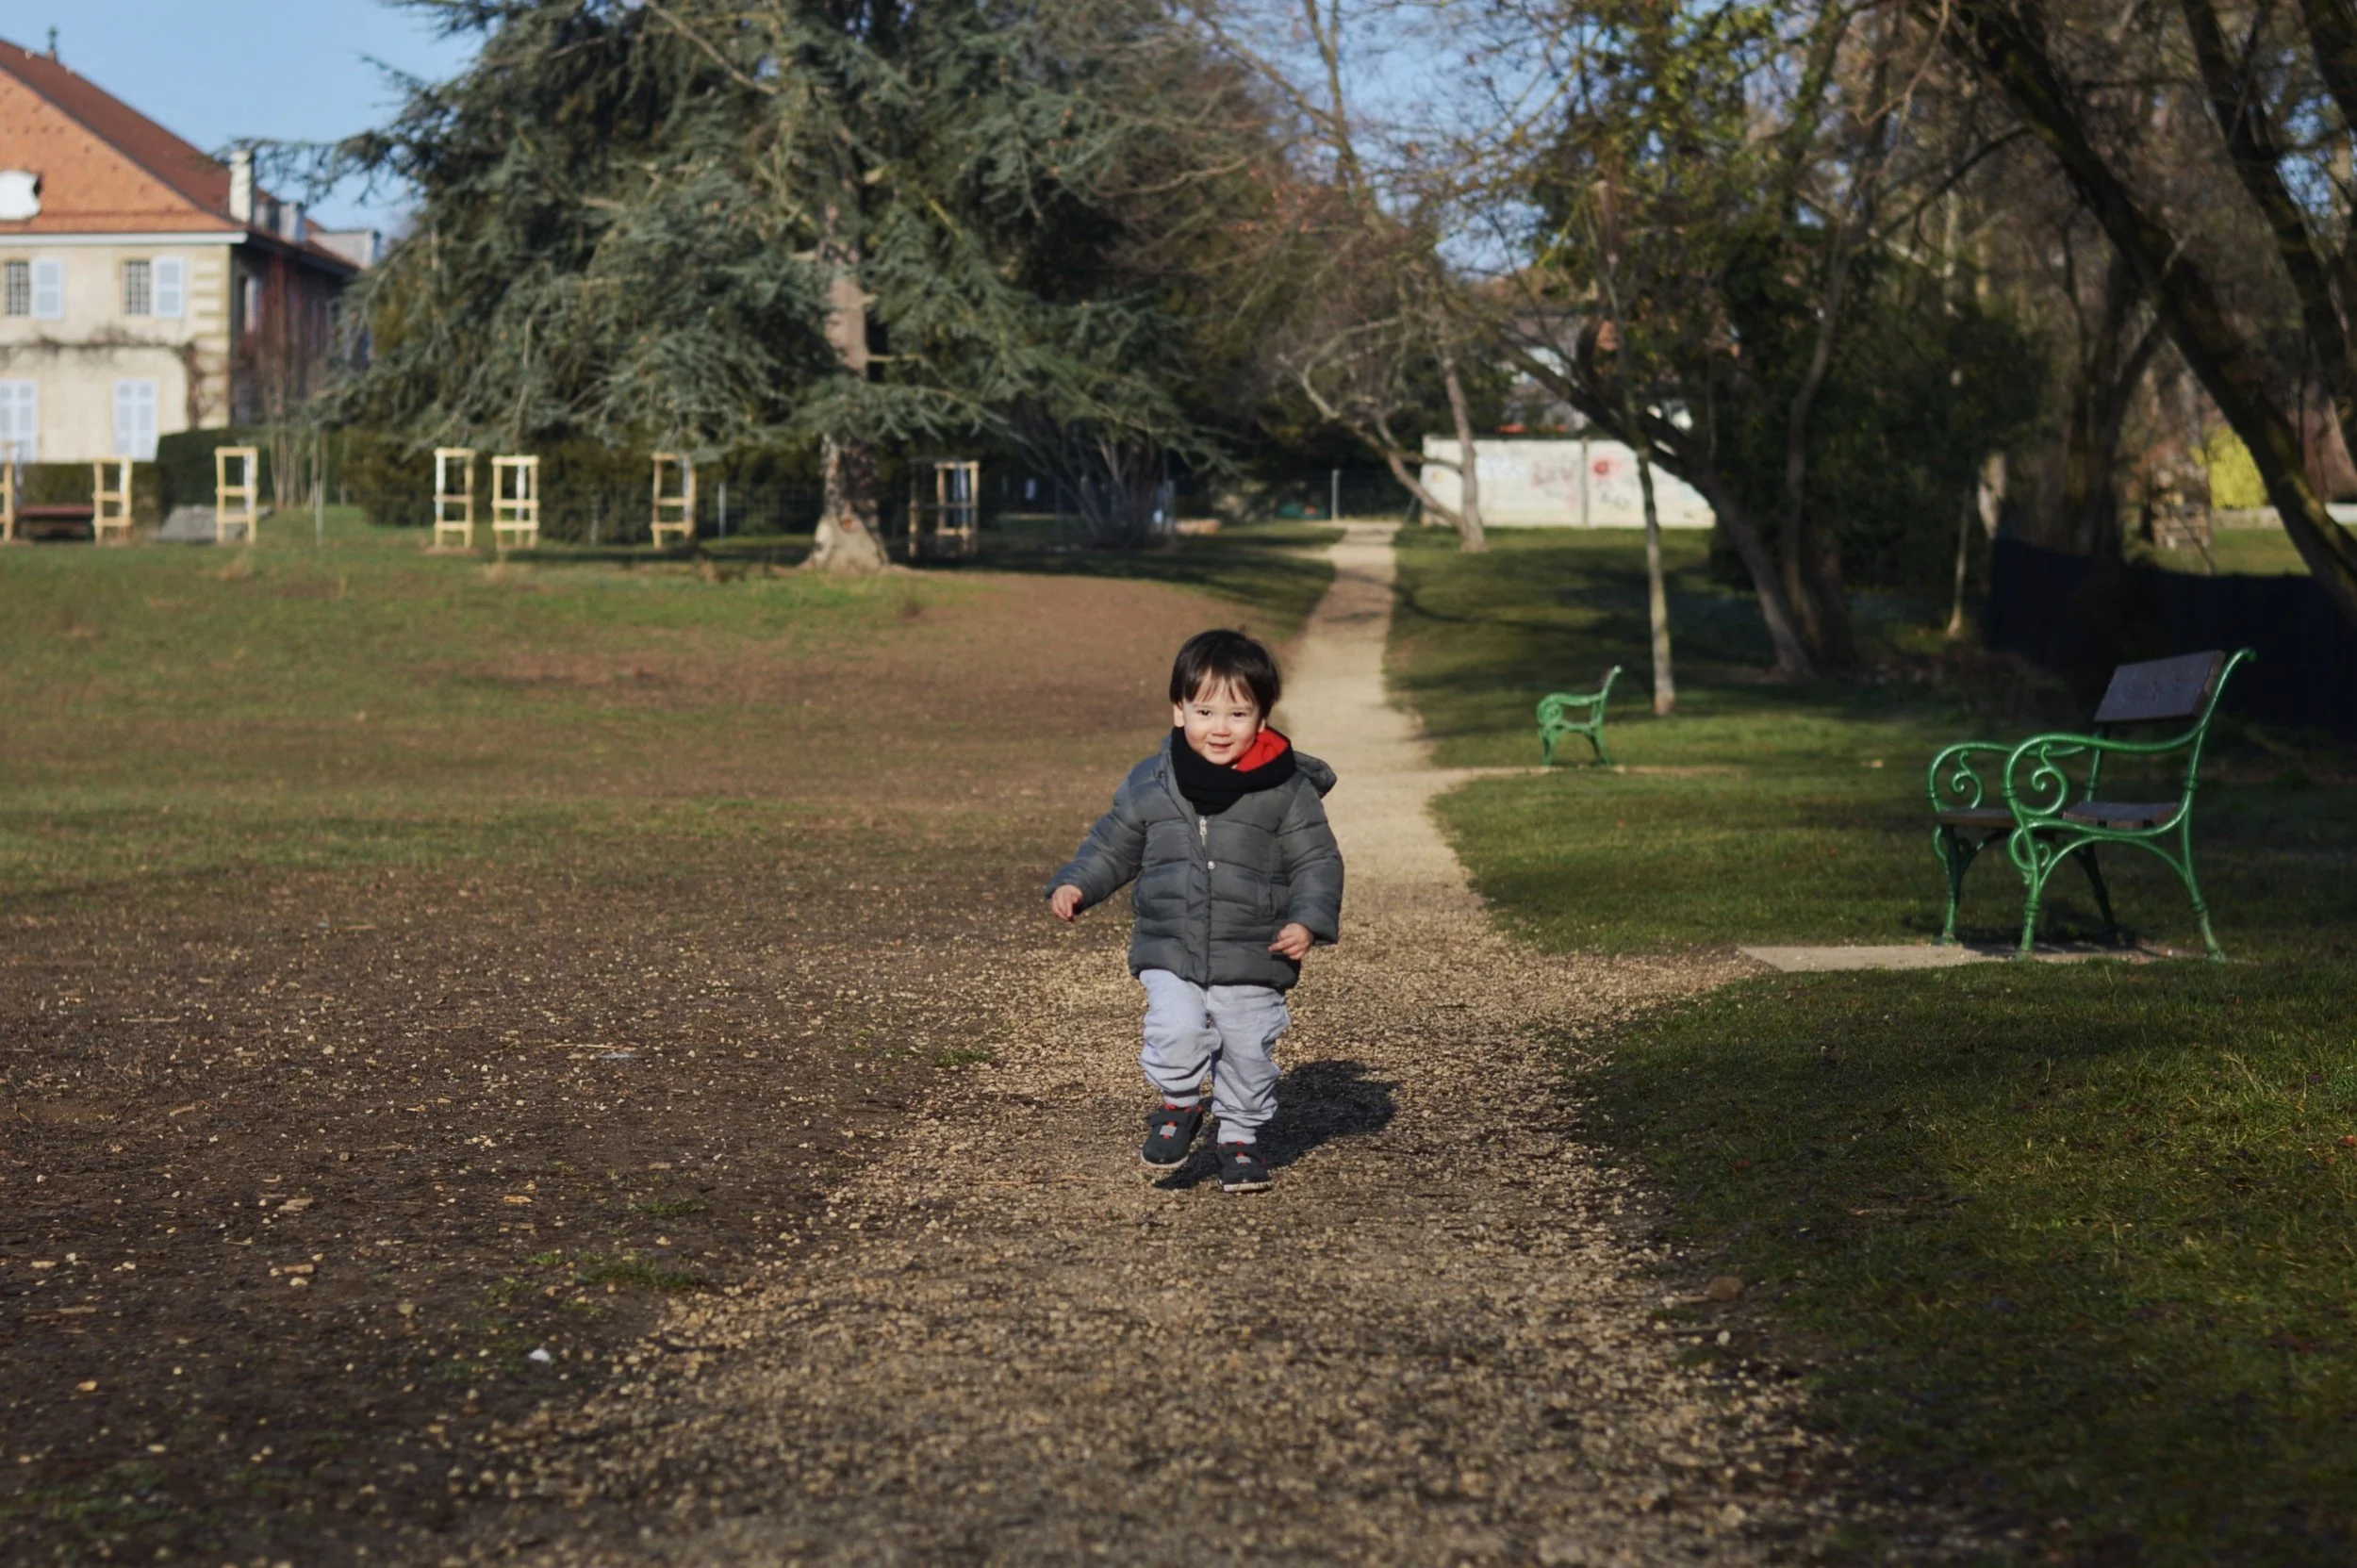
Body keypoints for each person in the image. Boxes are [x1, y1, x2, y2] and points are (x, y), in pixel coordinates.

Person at [1047, 629, 1343, 1193]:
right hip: (1171, 944)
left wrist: (1307, 921)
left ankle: (1240, 1138)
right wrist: (1076, 884)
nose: (1220, 726)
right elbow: (1112, 846)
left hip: (1254, 948)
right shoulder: (1151, 783)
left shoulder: (1285, 791)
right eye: (1205, 710)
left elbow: (1318, 862)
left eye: (1238, 712)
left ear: (1262, 717)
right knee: (1175, 1028)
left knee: (1248, 1051)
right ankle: (1179, 1103)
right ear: (1179, 712)